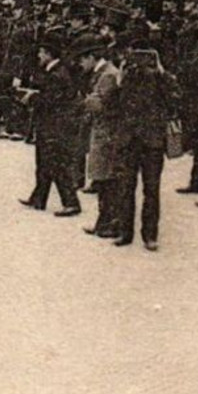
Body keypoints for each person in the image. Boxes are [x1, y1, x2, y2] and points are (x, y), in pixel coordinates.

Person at [114, 37, 177, 250]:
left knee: (151, 189)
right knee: (125, 187)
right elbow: (115, 102)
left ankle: (150, 235)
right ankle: (125, 232)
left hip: (152, 141)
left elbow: (174, 99)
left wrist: (161, 72)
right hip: (130, 139)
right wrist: (121, 76)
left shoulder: (161, 78)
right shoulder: (127, 75)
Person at [18, 29, 82, 216]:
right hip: (53, 123)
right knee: (44, 162)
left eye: (41, 52)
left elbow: (50, 100)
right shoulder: (57, 71)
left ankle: (71, 202)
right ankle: (39, 197)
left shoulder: (57, 74)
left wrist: (31, 98)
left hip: (55, 124)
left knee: (55, 163)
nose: (38, 55)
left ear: (48, 53)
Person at [77, 34, 125, 240]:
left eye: (82, 59)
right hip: (103, 132)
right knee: (102, 178)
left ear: (91, 57)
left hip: (107, 134)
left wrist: (83, 100)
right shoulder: (105, 72)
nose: (80, 64)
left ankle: (109, 223)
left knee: (107, 180)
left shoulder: (107, 75)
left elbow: (100, 104)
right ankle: (103, 222)